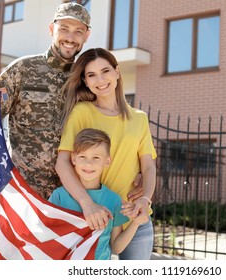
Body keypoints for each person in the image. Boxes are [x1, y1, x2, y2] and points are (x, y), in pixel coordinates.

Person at [0, 3, 142, 230]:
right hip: (26, 193)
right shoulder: (22, 70)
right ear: (52, 29)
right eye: (64, 29)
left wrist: (136, 171)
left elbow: (113, 127)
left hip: (74, 198)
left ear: (87, 35)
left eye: (78, 31)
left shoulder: (88, 78)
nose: (70, 37)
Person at [56, 48, 157, 260]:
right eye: (91, 75)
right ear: (85, 81)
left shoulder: (139, 118)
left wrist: (145, 198)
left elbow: (148, 167)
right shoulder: (81, 112)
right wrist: (87, 204)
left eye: (105, 71)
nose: (100, 80)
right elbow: (63, 163)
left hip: (135, 221)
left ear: (117, 72)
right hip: (95, 218)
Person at [49, 128, 147, 260]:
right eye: (83, 156)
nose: (89, 163)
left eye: (96, 157)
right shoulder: (59, 196)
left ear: (107, 161)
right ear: (73, 159)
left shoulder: (113, 200)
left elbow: (116, 247)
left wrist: (135, 223)